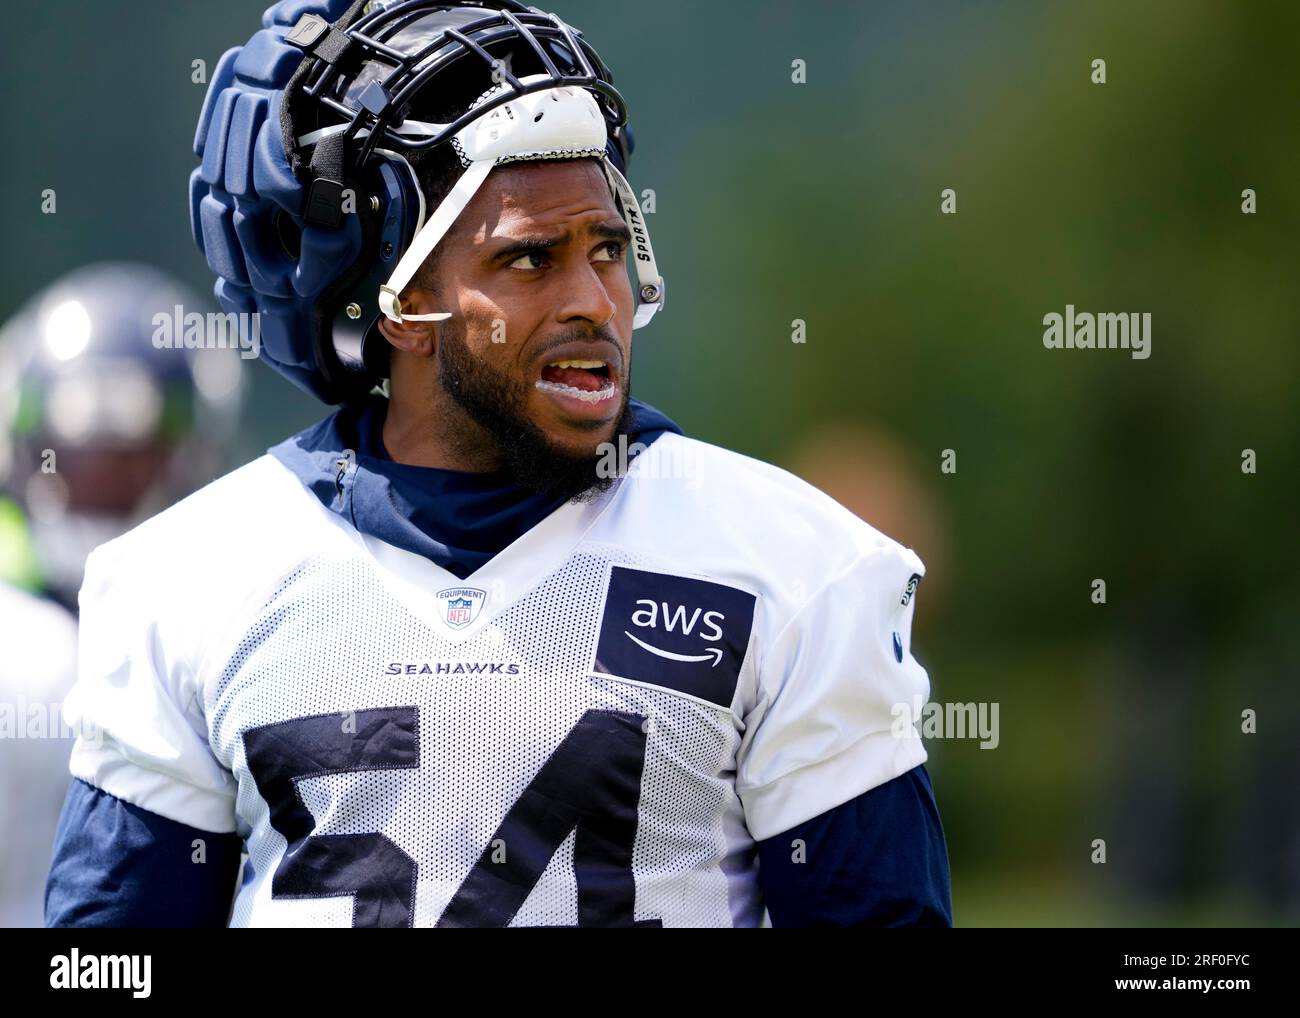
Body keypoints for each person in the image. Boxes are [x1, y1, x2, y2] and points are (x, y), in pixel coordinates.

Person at [45, 0, 950, 927]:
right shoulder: (189, 584)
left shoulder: (797, 569)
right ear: (399, 304)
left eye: (605, 248)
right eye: (530, 260)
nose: (593, 300)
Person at [0, 261, 242, 926]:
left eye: (131, 452)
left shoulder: (226, 617)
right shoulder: (24, 645)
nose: (98, 475)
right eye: (75, 452)